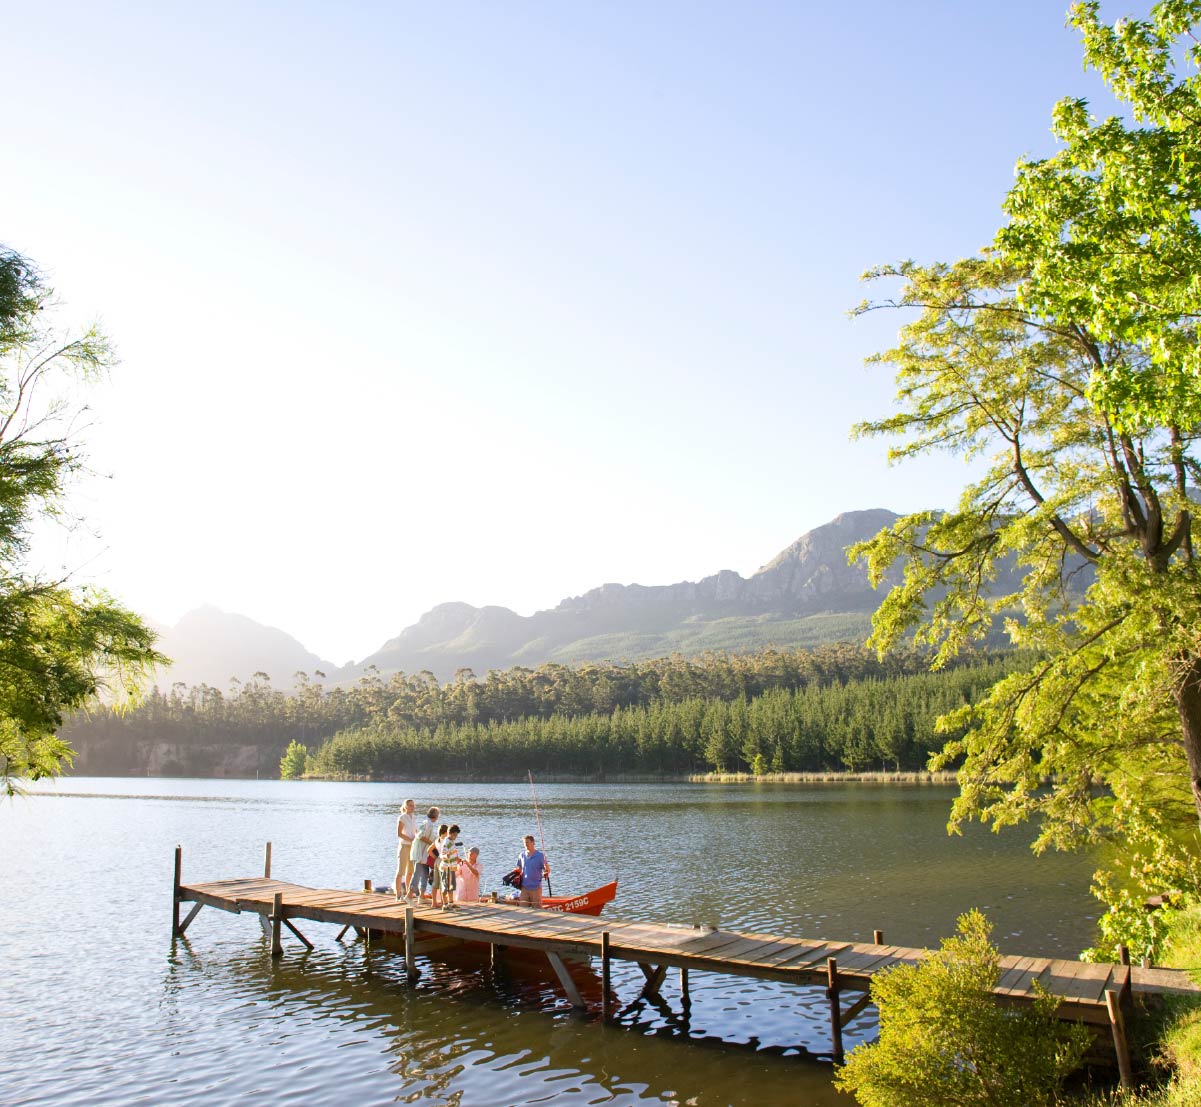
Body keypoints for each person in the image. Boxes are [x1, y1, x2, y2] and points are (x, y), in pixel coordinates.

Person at [407, 806, 440, 901]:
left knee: (425, 874)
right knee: (417, 873)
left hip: (425, 854)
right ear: (436, 816)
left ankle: (421, 896)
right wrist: (431, 843)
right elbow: (420, 836)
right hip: (420, 853)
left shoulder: (429, 823)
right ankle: (409, 895)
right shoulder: (427, 823)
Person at [393, 798, 418, 901]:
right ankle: (398, 895)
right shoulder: (402, 817)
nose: (412, 807)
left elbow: (415, 831)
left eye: (413, 805)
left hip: (412, 847)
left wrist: (417, 838)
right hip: (404, 846)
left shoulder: (413, 817)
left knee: (410, 872)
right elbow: (399, 833)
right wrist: (410, 840)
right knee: (400, 871)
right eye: (410, 805)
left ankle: (408, 894)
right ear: (406, 806)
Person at [515, 834, 549, 908]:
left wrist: (546, 872)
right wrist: (515, 873)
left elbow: (547, 869)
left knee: (537, 909)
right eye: (524, 843)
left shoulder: (540, 856)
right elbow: (519, 869)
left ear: (533, 842)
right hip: (524, 887)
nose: (526, 844)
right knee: (522, 908)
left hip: (536, 887)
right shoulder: (522, 855)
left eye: (527, 842)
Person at [438, 824, 461, 909]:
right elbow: (442, 855)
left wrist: (458, 859)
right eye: (454, 834)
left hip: (452, 867)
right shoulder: (446, 842)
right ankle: (445, 904)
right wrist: (446, 856)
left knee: (451, 885)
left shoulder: (451, 842)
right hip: (445, 868)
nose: (455, 836)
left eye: (456, 835)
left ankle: (451, 902)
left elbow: (453, 853)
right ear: (449, 833)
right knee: (445, 885)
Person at [429, 823, 449, 907]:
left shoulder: (437, 840)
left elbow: (429, 850)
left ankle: (434, 902)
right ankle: (443, 902)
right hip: (443, 861)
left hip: (437, 861)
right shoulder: (446, 841)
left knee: (435, 882)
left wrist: (435, 857)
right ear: (445, 832)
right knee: (443, 883)